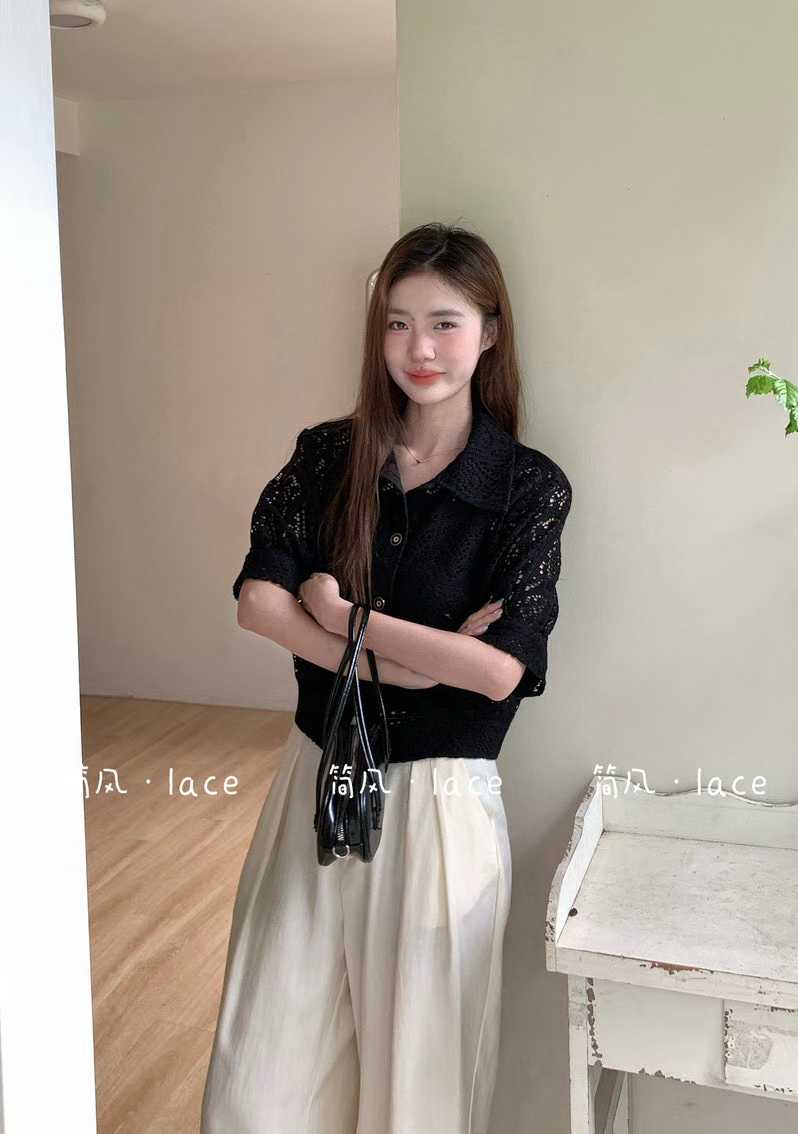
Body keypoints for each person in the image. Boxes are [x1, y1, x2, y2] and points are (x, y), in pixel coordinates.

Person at [200, 222, 573, 1134]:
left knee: (419, 1096)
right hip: (317, 780)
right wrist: (402, 666)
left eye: (445, 323)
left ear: (490, 333)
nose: (419, 349)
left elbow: (499, 672)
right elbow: (258, 602)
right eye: (398, 323)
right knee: (261, 1082)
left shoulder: (526, 488)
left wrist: (343, 619)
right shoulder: (328, 456)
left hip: (440, 809)